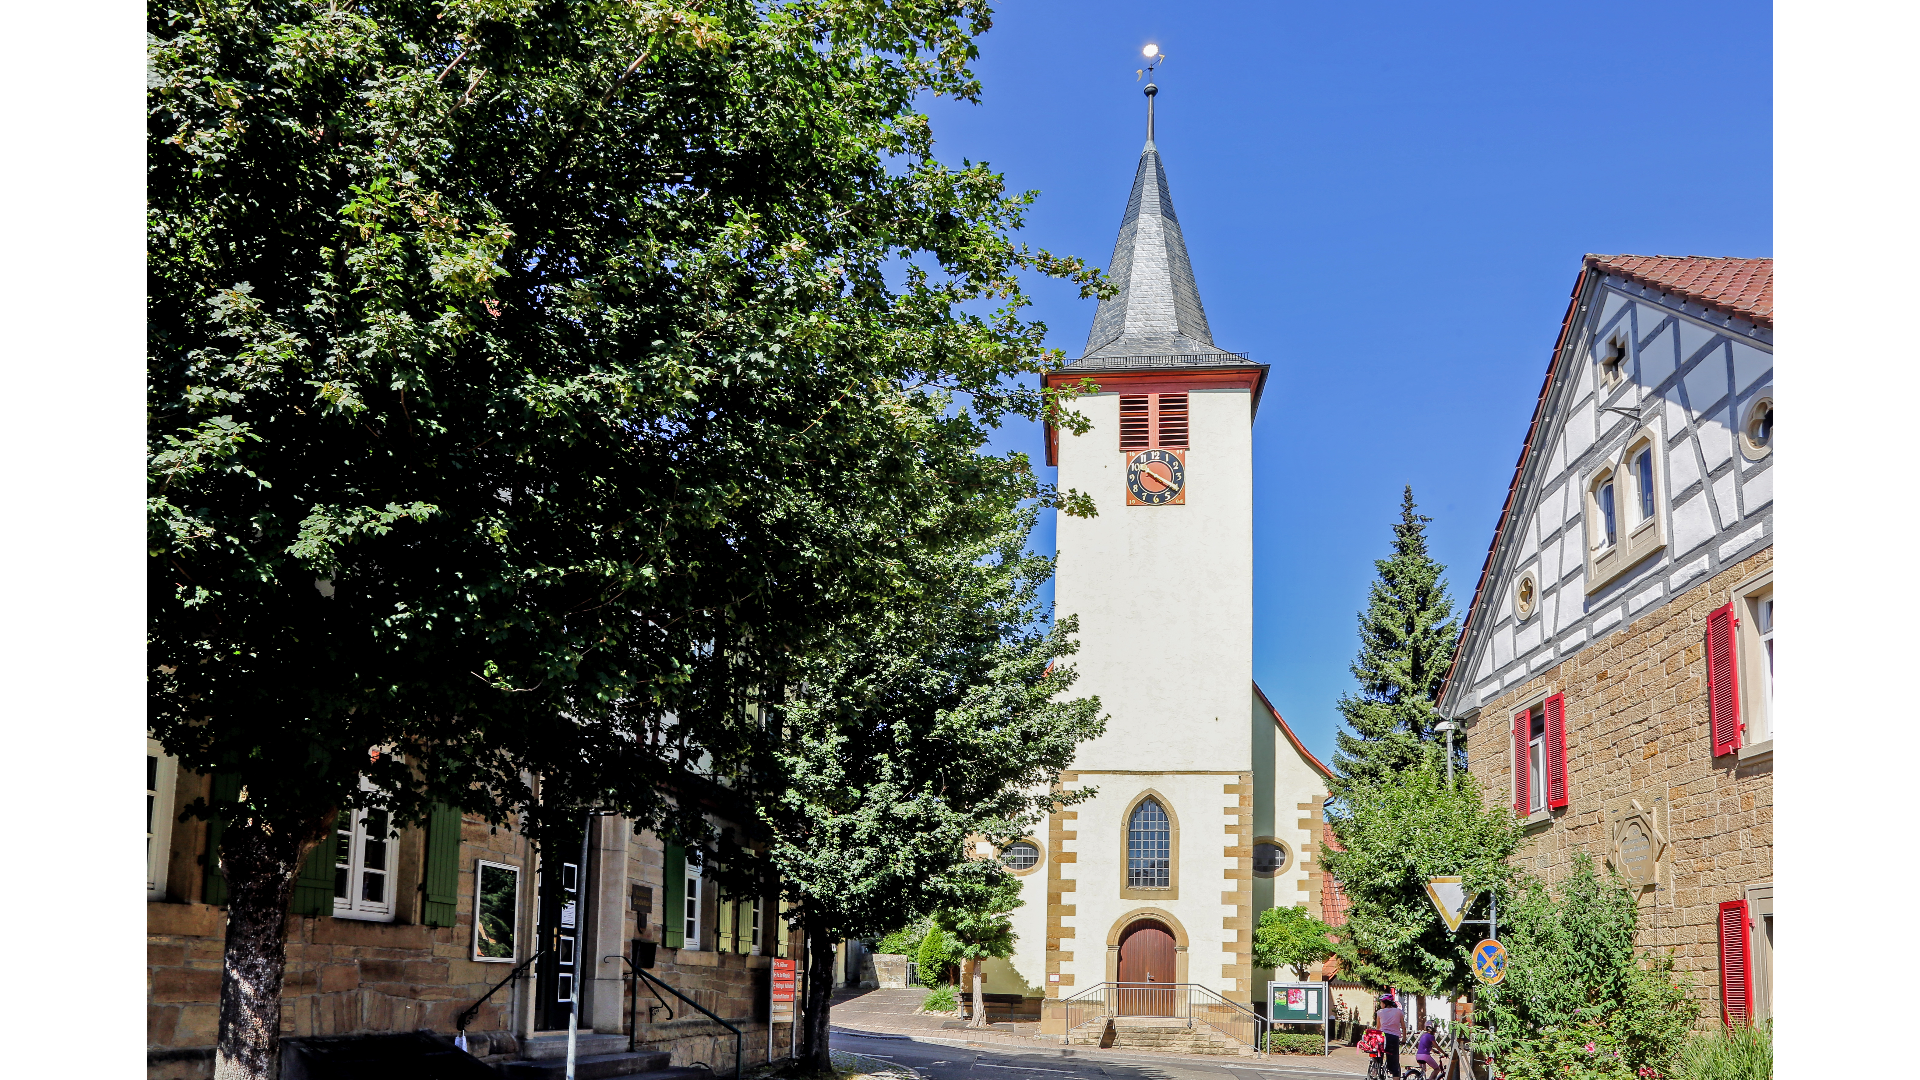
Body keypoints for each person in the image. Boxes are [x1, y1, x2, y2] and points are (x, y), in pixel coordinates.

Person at [1375, 994, 1404, 1078]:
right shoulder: (1398, 1012)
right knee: (1394, 1063)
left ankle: (1376, 1069)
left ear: (1385, 1003)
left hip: (1382, 1037)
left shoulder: (1379, 1012)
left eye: (1381, 1002)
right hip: (1393, 1038)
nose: (1380, 1004)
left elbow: (1378, 1027)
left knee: (1379, 1054)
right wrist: (1404, 1039)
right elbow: (1403, 1027)